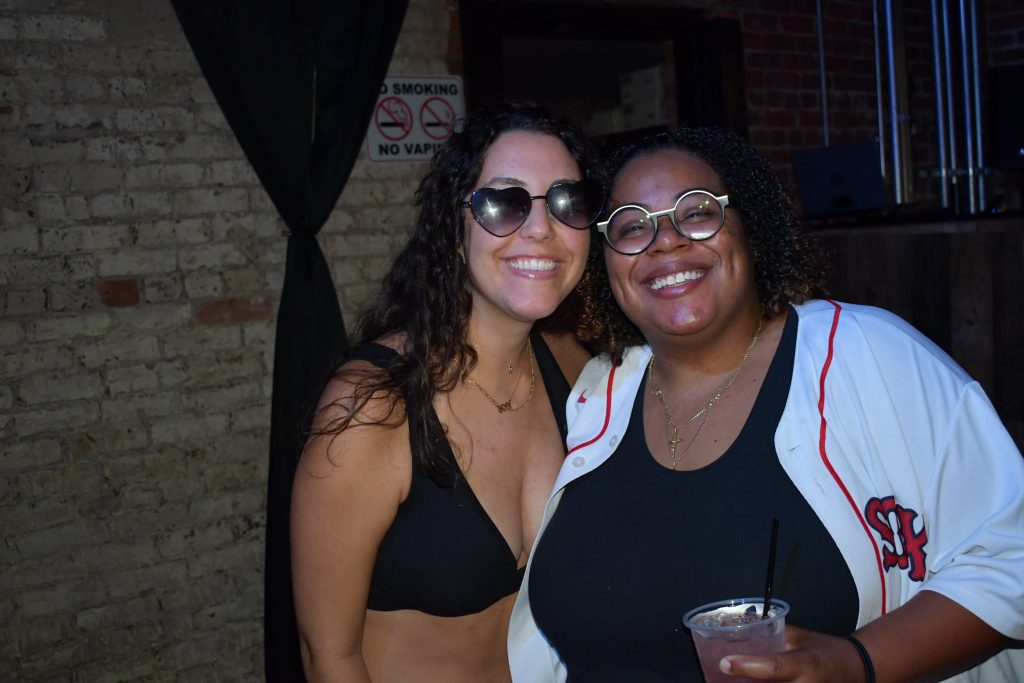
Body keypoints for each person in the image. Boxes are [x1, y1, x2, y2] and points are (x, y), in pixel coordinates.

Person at [508, 127, 1024, 682]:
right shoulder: (599, 393)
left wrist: (857, 662)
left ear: (749, 229)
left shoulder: (867, 355)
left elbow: (1011, 555)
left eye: (697, 212)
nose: (665, 242)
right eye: (632, 226)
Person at [290, 100, 606, 682]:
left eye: (567, 202)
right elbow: (327, 657)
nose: (541, 229)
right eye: (504, 203)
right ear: (454, 231)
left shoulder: (571, 366)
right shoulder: (374, 403)